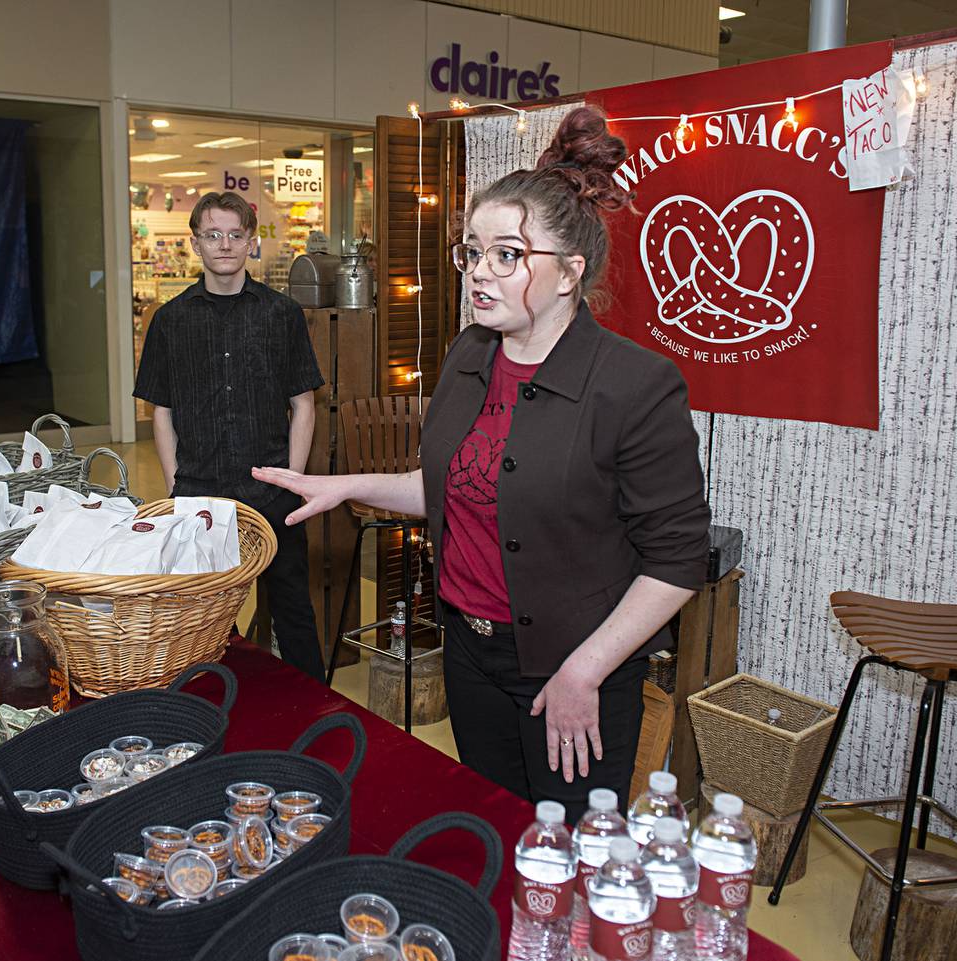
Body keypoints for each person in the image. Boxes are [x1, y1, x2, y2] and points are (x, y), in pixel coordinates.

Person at [254, 108, 710, 822]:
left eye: (508, 255)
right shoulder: (471, 354)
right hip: (469, 651)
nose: (480, 273)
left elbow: (678, 560)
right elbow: (456, 487)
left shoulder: (635, 385)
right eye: (473, 252)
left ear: (569, 274)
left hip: (573, 668)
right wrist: (343, 484)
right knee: (496, 830)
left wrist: (584, 670)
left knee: (570, 862)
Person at [134, 191, 326, 679]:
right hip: (200, 492)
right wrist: (177, 482)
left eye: (235, 235)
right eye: (213, 235)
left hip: (272, 488)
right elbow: (162, 412)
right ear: (196, 243)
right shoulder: (170, 321)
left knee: (293, 611)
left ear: (251, 243)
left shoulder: (281, 314)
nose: (225, 245)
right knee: (200, 618)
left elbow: (304, 404)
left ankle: (319, 715)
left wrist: (294, 480)